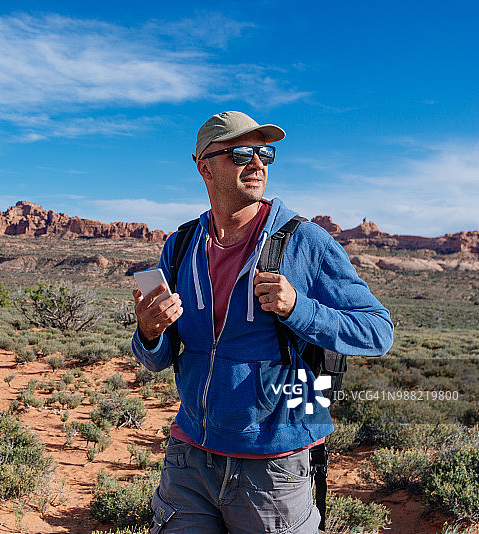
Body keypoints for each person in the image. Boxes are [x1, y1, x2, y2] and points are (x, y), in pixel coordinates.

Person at [132, 110, 393, 534]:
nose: (256, 164)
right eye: (239, 154)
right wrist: (148, 332)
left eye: (264, 154)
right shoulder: (180, 246)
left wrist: (298, 308)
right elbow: (159, 358)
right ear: (205, 167)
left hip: (274, 465)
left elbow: (378, 331)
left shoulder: (306, 241)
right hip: (190, 457)